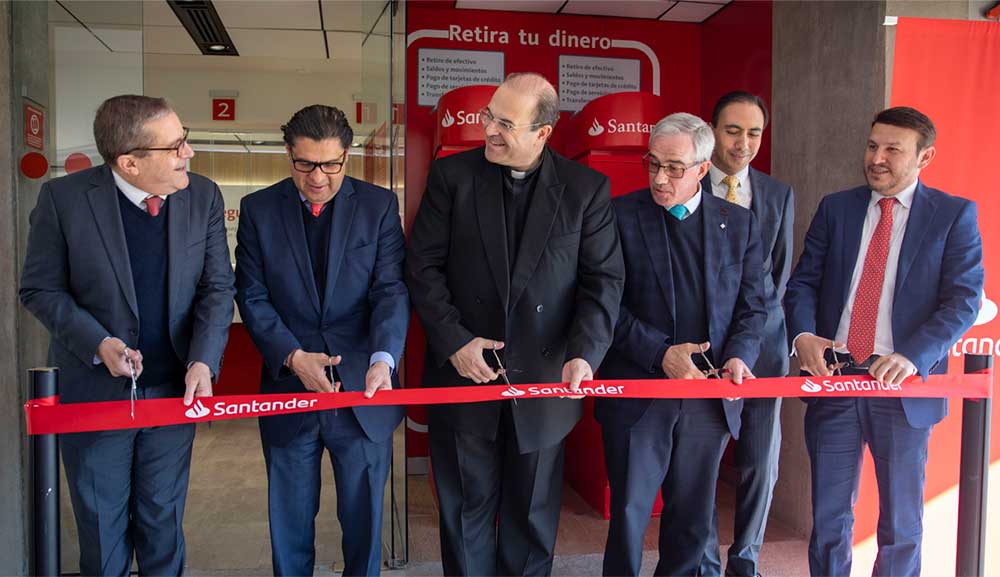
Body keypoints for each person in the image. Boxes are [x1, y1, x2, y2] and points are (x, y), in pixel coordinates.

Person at [405, 72, 624, 576]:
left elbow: (603, 281)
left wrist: (585, 353)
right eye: (489, 116)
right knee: (464, 517)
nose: (489, 131)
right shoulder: (451, 176)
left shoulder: (585, 189)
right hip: (463, 377)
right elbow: (423, 267)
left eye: (505, 123)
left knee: (530, 522)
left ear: (543, 132)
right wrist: (455, 341)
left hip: (545, 382)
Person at [19, 95, 235, 576]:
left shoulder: (202, 195)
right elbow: (39, 288)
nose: (189, 153)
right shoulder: (64, 200)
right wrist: (97, 342)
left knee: (163, 525)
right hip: (96, 396)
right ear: (130, 163)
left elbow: (218, 288)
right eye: (176, 145)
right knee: (101, 529)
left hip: (172, 393)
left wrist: (204, 360)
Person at [784, 106, 984, 577]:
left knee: (901, 524)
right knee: (830, 518)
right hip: (835, 380)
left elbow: (962, 300)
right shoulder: (838, 207)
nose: (877, 157)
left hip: (904, 386)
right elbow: (803, 284)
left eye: (893, 149)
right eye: (873, 146)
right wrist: (804, 336)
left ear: (924, 156)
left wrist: (913, 356)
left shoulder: (953, 215)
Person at [234, 105, 408, 576]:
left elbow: (390, 289)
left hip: (363, 392)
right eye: (306, 163)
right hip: (289, 391)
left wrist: (383, 359)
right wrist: (291, 356)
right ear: (288, 155)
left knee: (364, 527)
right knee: (289, 528)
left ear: (346, 156)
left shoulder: (377, 207)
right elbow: (251, 295)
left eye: (331, 164)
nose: (318, 177)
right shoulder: (258, 211)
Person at [595, 112, 766, 577]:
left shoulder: (740, 224)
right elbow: (602, 306)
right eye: (653, 164)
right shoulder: (617, 216)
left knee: (692, 520)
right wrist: (660, 353)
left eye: (674, 167)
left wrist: (738, 356)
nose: (660, 177)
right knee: (629, 515)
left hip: (706, 400)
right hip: (638, 393)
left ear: (703, 169)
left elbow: (754, 307)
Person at [699, 91, 795, 577]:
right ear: (712, 129)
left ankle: (746, 561)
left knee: (760, 464)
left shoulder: (778, 195)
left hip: (766, 353)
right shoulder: (692, 186)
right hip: (706, 353)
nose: (743, 143)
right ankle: (706, 562)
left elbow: (778, 278)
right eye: (732, 130)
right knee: (704, 463)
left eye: (753, 132)